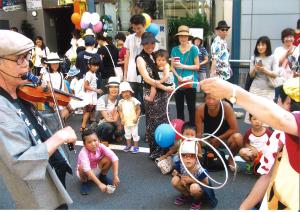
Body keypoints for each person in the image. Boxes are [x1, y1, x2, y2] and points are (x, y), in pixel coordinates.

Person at [0, 29, 77, 209]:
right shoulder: (2, 109)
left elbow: (36, 129)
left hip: (52, 170)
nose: (27, 64)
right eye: (20, 59)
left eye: (27, 57)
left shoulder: (20, 92)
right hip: (38, 190)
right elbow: (21, 161)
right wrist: (60, 137)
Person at [199, 77, 299, 210]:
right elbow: (268, 176)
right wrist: (243, 208)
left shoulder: (284, 127)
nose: (276, 105)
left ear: (287, 102)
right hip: (275, 200)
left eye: (278, 101)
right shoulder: (281, 136)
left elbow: (281, 118)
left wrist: (232, 91)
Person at [136, 32, 173, 159]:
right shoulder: (140, 58)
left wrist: (168, 86)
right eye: (146, 43)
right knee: (153, 122)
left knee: (164, 120)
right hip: (151, 92)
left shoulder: (155, 55)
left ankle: (165, 149)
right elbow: (147, 78)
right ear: (142, 44)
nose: (150, 45)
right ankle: (155, 151)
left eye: (152, 42)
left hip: (163, 94)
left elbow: (165, 69)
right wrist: (165, 87)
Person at [195, 93, 243, 171]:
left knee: (238, 138)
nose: (211, 101)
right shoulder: (200, 109)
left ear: (221, 99)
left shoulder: (226, 107)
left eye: (214, 99)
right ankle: (197, 159)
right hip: (208, 138)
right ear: (205, 99)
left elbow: (234, 129)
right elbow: (199, 133)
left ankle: (231, 160)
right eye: (208, 98)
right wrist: (199, 153)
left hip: (225, 138)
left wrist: (218, 138)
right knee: (190, 137)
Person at [171, 140, 218, 210]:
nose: (188, 158)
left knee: (194, 187)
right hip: (187, 186)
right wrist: (177, 174)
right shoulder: (180, 164)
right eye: (184, 155)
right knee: (174, 180)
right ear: (180, 157)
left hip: (199, 189)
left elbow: (206, 184)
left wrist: (191, 180)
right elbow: (179, 174)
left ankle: (197, 201)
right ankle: (186, 195)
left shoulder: (200, 170)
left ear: (196, 158)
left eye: (192, 156)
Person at [171, 25, 200, 124]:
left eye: (185, 36)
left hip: (190, 82)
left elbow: (197, 66)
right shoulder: (174, 49)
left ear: (188, 37)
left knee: (192, 108)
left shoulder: (194, 49)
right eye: (181, 36)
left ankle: (192, 130)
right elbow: (172, 67)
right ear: (178, 37)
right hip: (178, 82)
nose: (183, 38)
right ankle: (181, 131)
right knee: (179, 109)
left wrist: (183, 66)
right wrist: (177, 76)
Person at [245, 36, 278, 123]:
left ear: (267, 46)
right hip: (255, 89)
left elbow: (275, 74)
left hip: (268, 89)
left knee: (267, 115)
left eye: (263, 45)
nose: (260, 47)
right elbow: (251, 75)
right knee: (254, 114)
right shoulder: (254, 57)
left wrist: (264, 70)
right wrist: (255, 69)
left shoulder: (273, 57)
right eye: (258, 45)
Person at [77, 129, 120, 195]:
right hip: (85, 172)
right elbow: (87, 169)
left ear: (99, 140)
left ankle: (102, 177)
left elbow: (114, 158)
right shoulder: (83, 152)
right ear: (84, 144)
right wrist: (99, 184)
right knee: (81, 167)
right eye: (89, 142)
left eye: (95, 140)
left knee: (108, 158)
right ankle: (85, 182)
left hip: (96, 168)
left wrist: (115, 176)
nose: (93, 144)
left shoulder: (101, 146)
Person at [124, 14, 148, 114]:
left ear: (144, 25)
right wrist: (125, 75)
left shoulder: (149, 37)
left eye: (139, 28)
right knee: (131, 101)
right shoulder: (129, 38)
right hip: (131, 74)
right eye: (134, 28)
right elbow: (127, 56)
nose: (136, 31)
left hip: (145, 74)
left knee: (145, 101)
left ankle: (146, 124)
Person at [95, 77, 123, 146]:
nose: (114, 89)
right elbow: (107, 119)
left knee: (127, 126)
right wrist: (118, 122)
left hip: (115, 123)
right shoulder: (102, 99)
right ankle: (103, 139)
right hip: (102, 123)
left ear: (119, 89)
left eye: (116, 87)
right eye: (111, 87)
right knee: (108, 126)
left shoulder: (121, 100)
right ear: (108, 89)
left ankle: (116, 135)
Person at [273, 28, 299, 102]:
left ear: (294, 38)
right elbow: (276, 64)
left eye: (291, 37)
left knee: (292, 104)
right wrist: (286, 54)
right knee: (278, 102)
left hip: (293, 82)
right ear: (283, 39)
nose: (289, 39)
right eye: (286, 37)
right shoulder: (278, 50)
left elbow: (297, 66)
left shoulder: (297, 50)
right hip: (280, 81)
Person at [80, 56, 104, 132]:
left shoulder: (93, 73)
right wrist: (96, 90)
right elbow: (86, 86)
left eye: (97, 66)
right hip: (89, 96)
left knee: (91, 111)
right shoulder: (89, 74)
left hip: (92, 96)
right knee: (88, 111)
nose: (96, 67)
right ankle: (83, 127)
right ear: (89, 66)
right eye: (94, 66)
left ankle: (87, 127)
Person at [118, 81, 141, 153]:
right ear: (121, 94)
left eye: (127, 91)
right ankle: (128, 145)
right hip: (126, 120)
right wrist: (122, 118)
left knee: (134, 133)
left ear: (130, 92)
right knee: (127, 134)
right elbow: (120, 111)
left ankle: (136, 146)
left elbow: (139, 109)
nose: (126, 93)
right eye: (123, 92)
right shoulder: (121, 102)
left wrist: (136, 118)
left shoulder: (134, 100)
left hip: (133, 120)